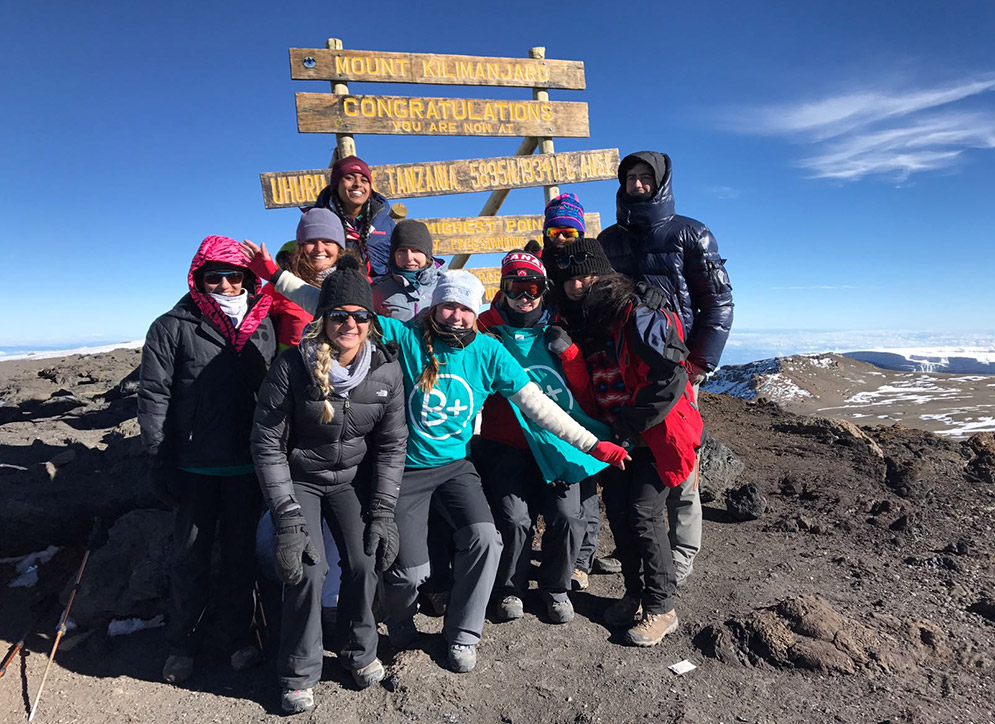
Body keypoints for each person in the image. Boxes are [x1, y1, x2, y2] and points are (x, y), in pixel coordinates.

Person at [239, 246, 631, 672]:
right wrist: (276, 276)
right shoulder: (406, 336)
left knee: (486, 540)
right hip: (406, 469)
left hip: (457, 467)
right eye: (447, 307)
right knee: (407, 571)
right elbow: (338, 308)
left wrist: (592, 444)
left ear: (475, 311)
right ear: (435, 306)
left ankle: (463, 635)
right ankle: (401, 623)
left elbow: (537, 404)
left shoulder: (489, 351)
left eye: (465, 309)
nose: (456, 317)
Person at [250, 255, 407, 713]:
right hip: (302, 478)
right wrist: (288, 517)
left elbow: (392, 446)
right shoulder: (291, 367)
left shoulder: (386, 371)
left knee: (364, 560)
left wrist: (382, 511)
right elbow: (266, 445)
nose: (350, 324)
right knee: (307, 564)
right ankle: (298, 670)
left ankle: (360, 651)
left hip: (351, 483)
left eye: (360, 316)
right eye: (340, 315)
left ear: (371, 322)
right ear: (324, 319)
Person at [545, 238, 703, 647]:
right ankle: (635, 593)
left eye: (587, 275)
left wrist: (631, 425)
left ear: (605, 275)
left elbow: (670, 378)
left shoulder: (635, 310)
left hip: (653, 432)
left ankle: (661, 607)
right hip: (615, 435)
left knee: (643, 515)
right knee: (618, 510)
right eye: (570, 279)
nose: (578, 284)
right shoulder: (582, 319)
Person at [138, 235, 276, 685]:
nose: (224, 283)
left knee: (238, 558)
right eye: (212, 275)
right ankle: (181, 644)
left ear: (247, 278)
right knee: (190, 558)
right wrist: (159, 458)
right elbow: (154, 396)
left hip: (247, 465)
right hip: (194, 465)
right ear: (198, 278)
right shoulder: (172, 325)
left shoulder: (264, 322)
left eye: (233, 275)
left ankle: (237, 638)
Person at [598, 151, 734, 586]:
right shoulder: (608, 240)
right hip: (621, 369)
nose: (637, 185)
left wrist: (697, 364)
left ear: (662, 182)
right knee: (631, 460)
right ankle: (635, 547)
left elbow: (718, 303)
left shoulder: (692, 234)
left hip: (676, 370)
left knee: (679, 456)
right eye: (630, 178)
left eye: (644, 178)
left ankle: (682, 552)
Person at [474, 245, 609, 625]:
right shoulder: (483, 327)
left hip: (557, 441)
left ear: (543, 290)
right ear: (502, 287)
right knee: (515, 519)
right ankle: (509, 588)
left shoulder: (558, 325)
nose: (522, 297)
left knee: (568, 515)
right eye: (514, 287)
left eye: (531, 288)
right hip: (505, 443)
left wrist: (569, 356)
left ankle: (555, 586)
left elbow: (580, 395)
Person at [538, 192, 605, 591]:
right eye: (555, 230)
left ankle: (583, 557)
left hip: (592, 375)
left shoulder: (590, 263)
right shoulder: (536, 265)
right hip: (550, 377)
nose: (561, 237)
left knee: (587, 465)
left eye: (569, 230)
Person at [264, 208, 346, 351]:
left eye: (327, 241)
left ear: (339, 248)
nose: (319, 248)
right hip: (291, 370)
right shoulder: (277, 287)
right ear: (300, 246)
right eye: (311, 241)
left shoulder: (359, 284)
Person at [313, 155, 395, 279]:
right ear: (336, 184)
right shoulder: (318, 221)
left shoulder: (385, 223)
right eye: (349, 178)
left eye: (364, 180)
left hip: (381, 292)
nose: (357, 184)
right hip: (336, 290)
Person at [371, 219, 447, 321]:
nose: (409, 258)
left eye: (416, 250)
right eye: (402, 251)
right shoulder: (378, 291)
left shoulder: (445, 285)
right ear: (394, 254)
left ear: (427, 254)